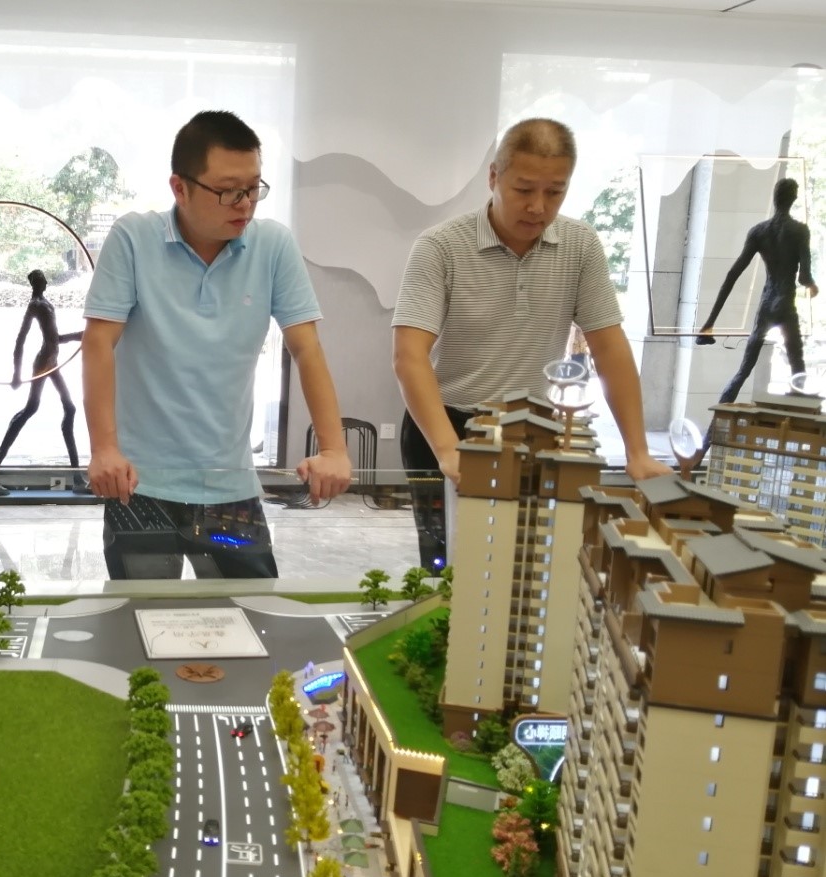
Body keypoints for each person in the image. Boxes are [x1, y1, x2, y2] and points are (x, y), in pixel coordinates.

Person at [82, 109, 352, 579]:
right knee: (142, 614)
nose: (244, 204)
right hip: (139, 484)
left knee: (252, 608)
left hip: (230, 485)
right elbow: (98, 343)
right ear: (180, 188)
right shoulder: (134, 238)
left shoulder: (272, 245)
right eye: (228, 190)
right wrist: (103, 448)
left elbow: (306, 348)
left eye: (253, 188)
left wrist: (334, 449)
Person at [393, 117, 671, 568]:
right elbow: (409, 356)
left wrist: (637, 451)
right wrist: (447, 449)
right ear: (494, 177)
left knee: (521, 565)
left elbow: (609, 349)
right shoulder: (440, 247)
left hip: (531, 432)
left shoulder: (581, 245)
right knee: (450, 568)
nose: (538, 207)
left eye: (555, 192)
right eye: (523, 189)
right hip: (445, 424)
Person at [696, 177, 817, 403]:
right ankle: (797, 416)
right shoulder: (800, 231)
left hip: (767, 304)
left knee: (744, 370)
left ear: (775, 198)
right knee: (797, 368)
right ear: (793, 199)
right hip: (785, 302)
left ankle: (717, 420)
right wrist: (812, 285)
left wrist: (709, 323)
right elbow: (803, 276)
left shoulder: (759, 232)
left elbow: (733, 274)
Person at [0, 268, 82, 470]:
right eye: (42, 280)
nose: (46, 283)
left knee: (69, 408)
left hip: (52, 363)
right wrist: (16, 374)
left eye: (45, 280)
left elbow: (54, 339)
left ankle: (76, 472)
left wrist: (79, 336)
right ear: (35, 283)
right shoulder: (35, 305)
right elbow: (20, 341)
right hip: (43, 364)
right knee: (31, 409)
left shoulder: (45, 303)